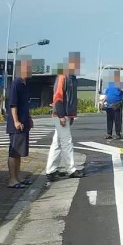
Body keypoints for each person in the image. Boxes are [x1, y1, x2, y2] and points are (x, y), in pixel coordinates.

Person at [45, 52, 85, 182]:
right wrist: (62, 115)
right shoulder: (63, 76)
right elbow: (58, 97)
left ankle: (51, 170)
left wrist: (72, 115)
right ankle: (71, 169)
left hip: (67, 115)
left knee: (57, 143)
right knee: (67, 142)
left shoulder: (73, 78)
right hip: (61, 115)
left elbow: (72, 100)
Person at [7, 56, 34, 188]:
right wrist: (16, 121)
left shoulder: (24, 84)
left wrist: (29, 118)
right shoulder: (16, 83)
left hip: (24, 122)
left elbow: (25, 105)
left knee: (19, 152)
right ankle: (12, 179)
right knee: (14, 152)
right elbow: (13, 104)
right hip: (16, 125)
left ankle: (18, 177)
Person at [103, 70, 123, 139]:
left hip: (117, 104)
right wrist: (102, 102)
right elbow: (107, 94)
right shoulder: (110, 84)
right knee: (109, 120)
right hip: (109, 105)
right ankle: (109, 134)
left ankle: (118, 134)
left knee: (117, 120)